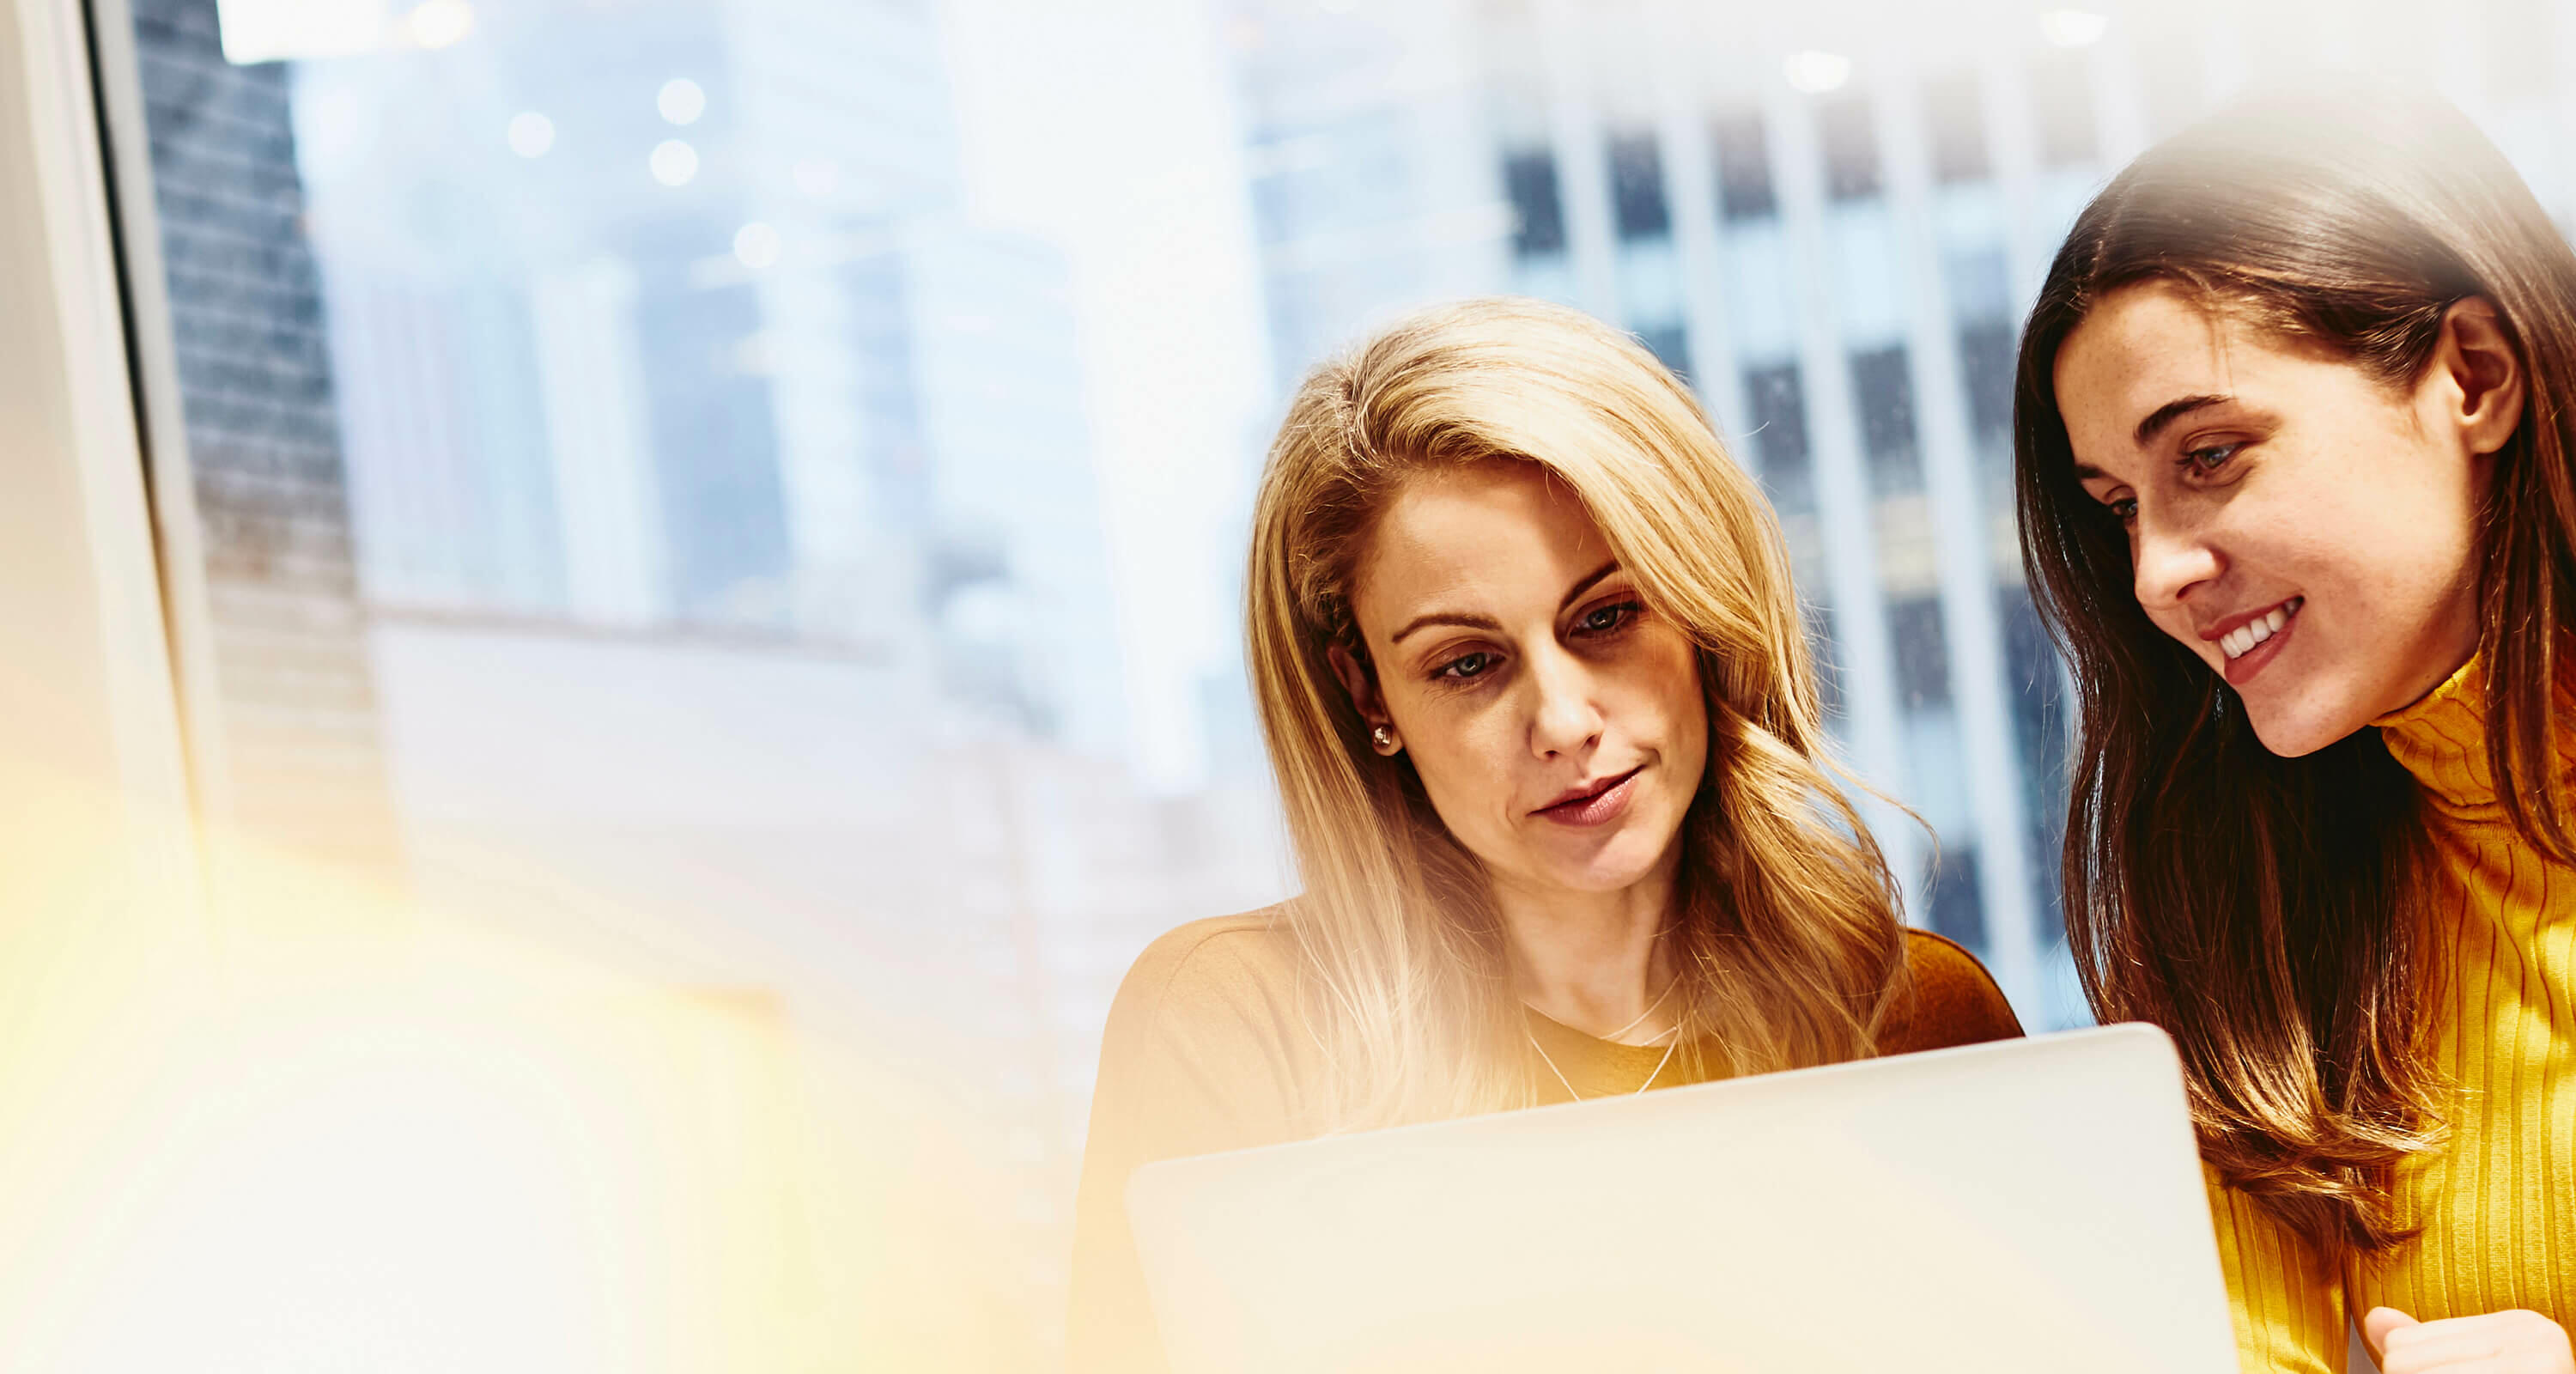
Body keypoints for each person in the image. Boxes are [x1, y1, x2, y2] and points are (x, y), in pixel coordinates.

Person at [1066, 297, 2021, 1371]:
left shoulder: (1910, 1016)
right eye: (1467, 663)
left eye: (1607, 617)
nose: (1565, 723)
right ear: (1368, 691)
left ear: (1703, 613)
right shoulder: (1243, 1022)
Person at [2015, 84, 2576, 1374]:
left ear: (2474, 379)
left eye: (2208, 455)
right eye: (2117, 506)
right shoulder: (2240, 930)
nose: (2155, 573)